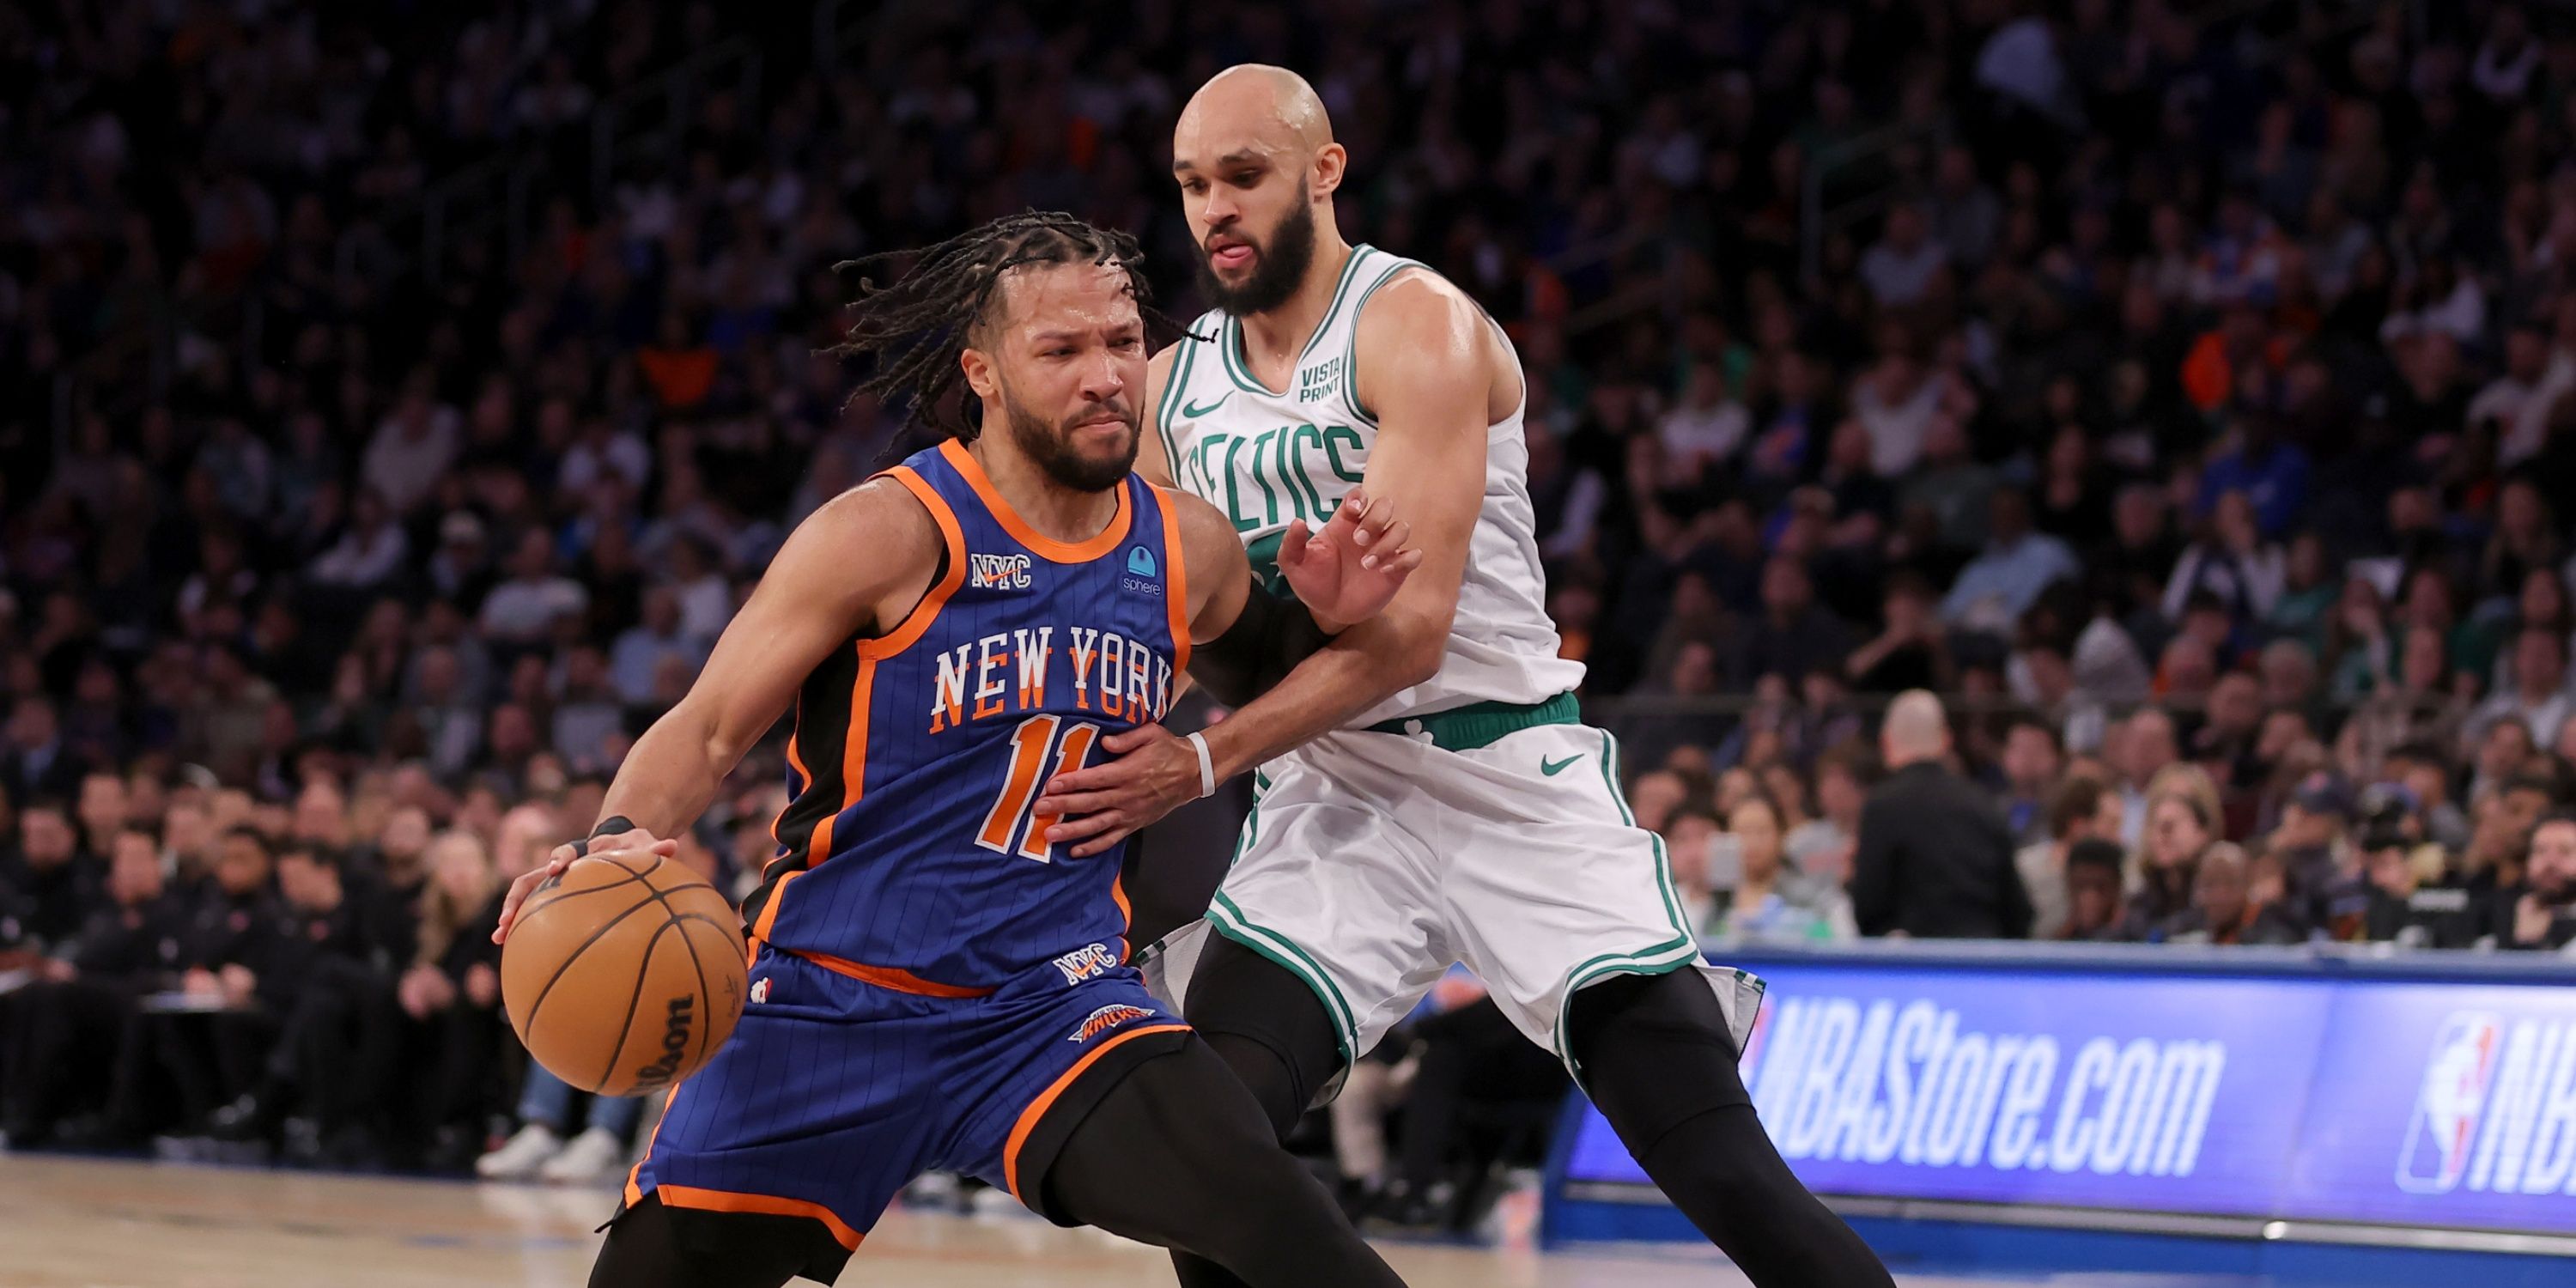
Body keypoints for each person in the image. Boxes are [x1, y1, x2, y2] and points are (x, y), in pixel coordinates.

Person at [1052, 66, 1893, 1288]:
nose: (1214, 209)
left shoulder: (1416, 325)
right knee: (1210, 1159)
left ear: (1323, 172)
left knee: (1726, 1175)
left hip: (1507, 776)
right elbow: (1177, 624)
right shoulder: (1176, 390)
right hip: (1333, 804)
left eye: (1243, 175)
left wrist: (1199, 761)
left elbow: (1407, 637)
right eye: (1191, 186)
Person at [491, 211, 1420, 1288]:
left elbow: (1288, 686)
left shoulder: (1186, 545)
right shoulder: (887, 532)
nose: (1107, 376)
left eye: (1122, 342)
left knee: (1283, 1228)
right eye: (1062, 351)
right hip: (825, 1007)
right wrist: (611, 843)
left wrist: (1329, 617)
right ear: (983, 370)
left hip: (1052, 1007)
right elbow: (705, 729)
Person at [1852, 690, 2033, 939]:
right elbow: (2017, 908)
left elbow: (1869, 907)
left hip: (1917, 965)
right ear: (1946, 740)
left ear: (1886, 743)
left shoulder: (1882, 807)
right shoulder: (1981, 802)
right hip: (1984, 959)